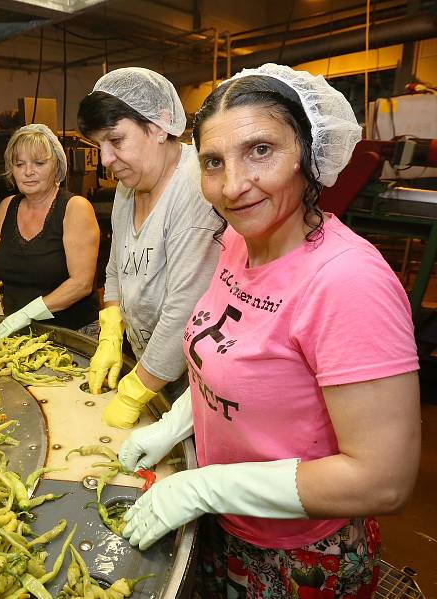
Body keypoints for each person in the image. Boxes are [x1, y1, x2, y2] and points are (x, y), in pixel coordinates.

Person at [118, 64, 421, 598]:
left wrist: (204, 487)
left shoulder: (346, 282)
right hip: (230, 525)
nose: (233, 186)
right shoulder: (238, 241)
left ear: (307, 152)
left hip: (301, 555)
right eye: (214, 162)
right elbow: (229, 350)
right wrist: (173, 424)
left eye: (260, 150)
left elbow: (382, 479)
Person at [77, 67, 221, 428]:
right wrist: (111, 326)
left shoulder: (194, 191)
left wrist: (133, 393)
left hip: (194, 384)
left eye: (116, 140)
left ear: (158, 127)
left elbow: (184, 313)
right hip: (151, 370)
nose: (106, 159)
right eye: (99, 145)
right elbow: (114, 268)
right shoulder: (131, 184)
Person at [0, 124, 99, 340]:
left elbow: (81, 284)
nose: (28, 172)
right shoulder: (7, 207)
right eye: (19, 164)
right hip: (17, 332)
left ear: (57, 166)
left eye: (39, 163)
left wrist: (27, 314)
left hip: (71, 333)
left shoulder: (74, 208)